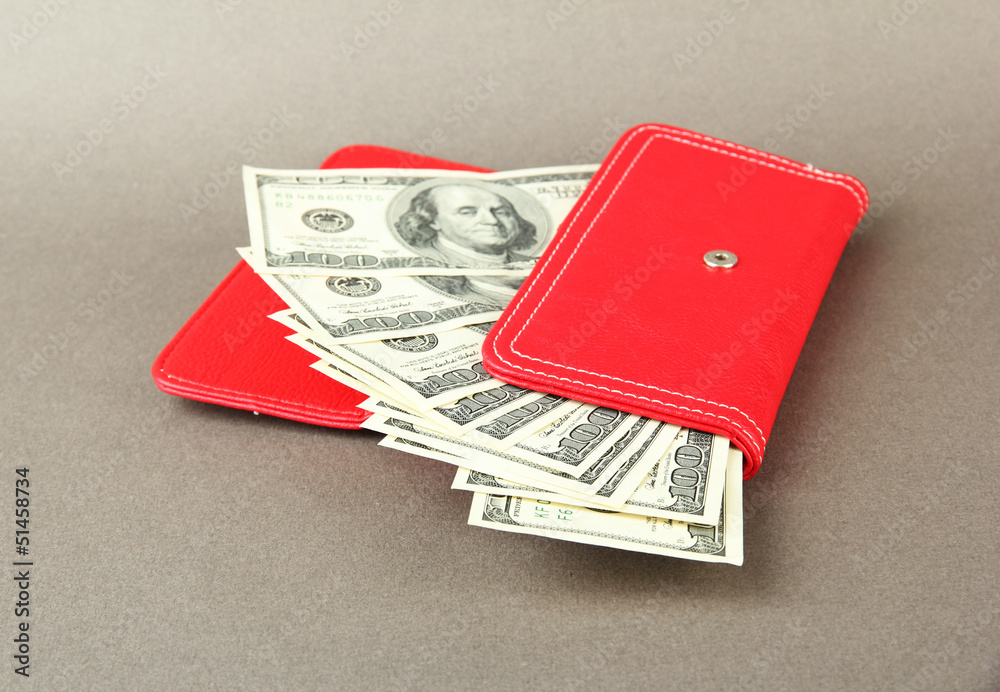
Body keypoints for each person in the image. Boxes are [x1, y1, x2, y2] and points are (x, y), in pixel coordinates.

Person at [395, 183, 537, 269]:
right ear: (433, 221)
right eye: (467, 212)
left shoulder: (538, 266)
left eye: (501, 212)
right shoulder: (423, 265)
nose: (492, 220)